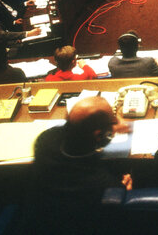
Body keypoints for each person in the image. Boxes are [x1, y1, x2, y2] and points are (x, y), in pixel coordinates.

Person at [27, 96, 130, 233]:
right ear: (99, 135)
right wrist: (124, 191)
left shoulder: (45, 139)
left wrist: (109, 125)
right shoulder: (105, 184)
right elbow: (119, 201)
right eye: (113, 122)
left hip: (44, 222)